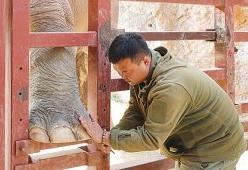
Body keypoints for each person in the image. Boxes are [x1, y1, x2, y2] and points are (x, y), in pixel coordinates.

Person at [79, 33, 246, 169]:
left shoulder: (170, 87)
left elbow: (150, 138)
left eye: (127, 72)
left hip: (215, 150)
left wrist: (105, 138)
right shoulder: (145, 73)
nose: (124, 77)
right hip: (199, 144)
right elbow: (136, 111)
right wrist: (113, 136)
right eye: (120, 73)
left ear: (145, 60)